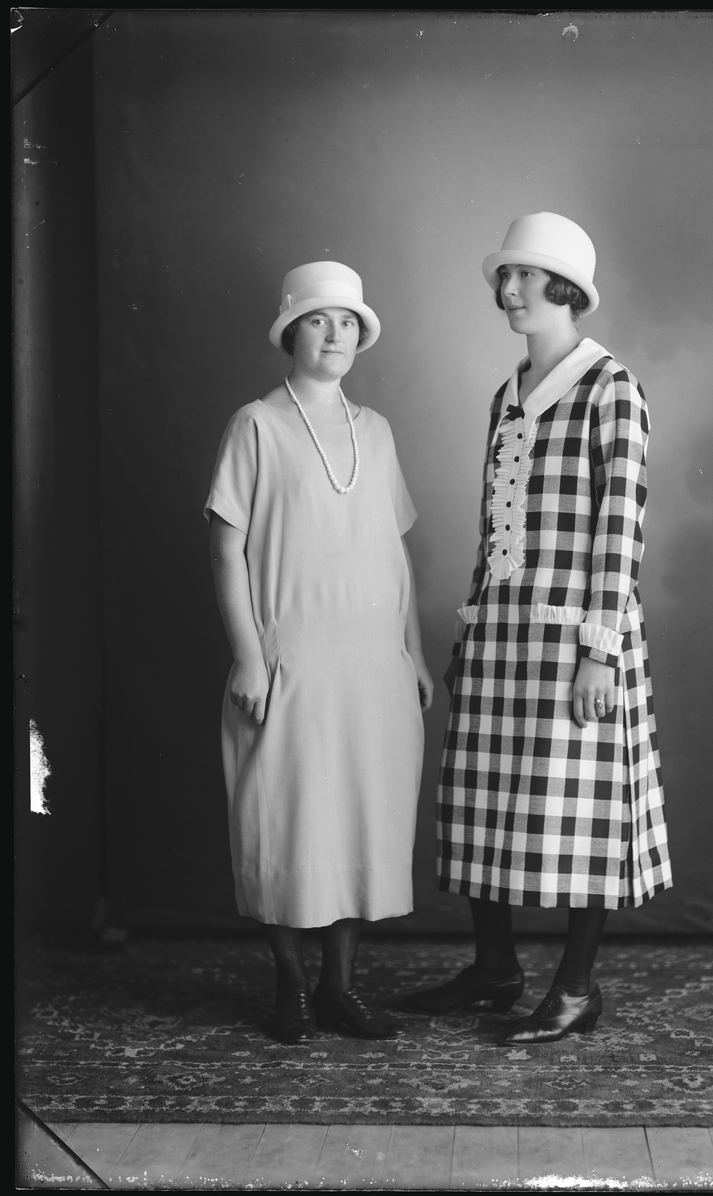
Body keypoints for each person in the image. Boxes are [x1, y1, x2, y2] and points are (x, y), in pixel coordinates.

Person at [402, 213, 672, 1044]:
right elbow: (494, 533)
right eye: (505, 276)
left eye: (522, 275)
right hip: (500, 632)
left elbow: (619, 530)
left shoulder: (610, 388)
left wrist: (599, 651)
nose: (507, 289)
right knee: (481, 799)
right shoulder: (506, 394)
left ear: (563, 287)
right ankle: (494, 968)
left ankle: (576, 987)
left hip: (574, 637)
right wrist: (469, 635)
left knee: (582, 807)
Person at [205, 261, 432, 1044]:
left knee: (360, 819)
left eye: (347, 322)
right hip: (290, 658)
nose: (335, 334)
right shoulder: (256, 425)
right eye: (318, 319)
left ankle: (341, 985)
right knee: (286, 819)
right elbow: (225, 550)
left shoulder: (377, 431)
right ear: (290, 332)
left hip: (371, 663)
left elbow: (394, 553)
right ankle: (291, 984)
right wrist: (248, 656)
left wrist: (413, 653)